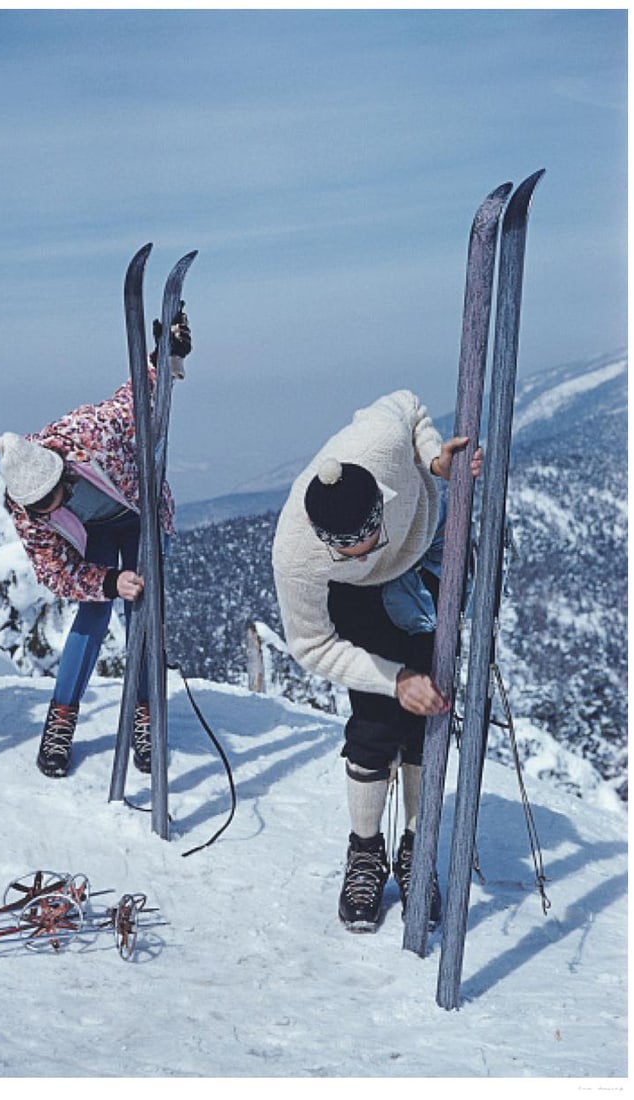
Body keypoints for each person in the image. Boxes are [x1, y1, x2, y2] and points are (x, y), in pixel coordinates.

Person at [272, 390, 482, 933]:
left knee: (426, 715)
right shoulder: (297, 557)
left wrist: (435, 460)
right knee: (375, 721)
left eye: (368, 536)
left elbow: (407, 404)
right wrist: (395, 679)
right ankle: (367, 850)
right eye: (350, 548)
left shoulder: (381, 443)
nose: (364, 549)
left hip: (425, 553)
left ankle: (415, 846)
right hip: (356, 600)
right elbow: (312, 646)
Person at [0, 309, 192, 779]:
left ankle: (145, 712)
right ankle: (61, 718)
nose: (48, 510)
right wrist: (105, 581)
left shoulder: (88, 435)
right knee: (94, 614)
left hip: (138, 514)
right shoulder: (28, 509)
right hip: (97, 536)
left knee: (142, 612)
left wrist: (164, 358)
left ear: (61, 471)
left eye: (52, 499)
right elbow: (54, 572)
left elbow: (133, 402)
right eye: (38, 507)